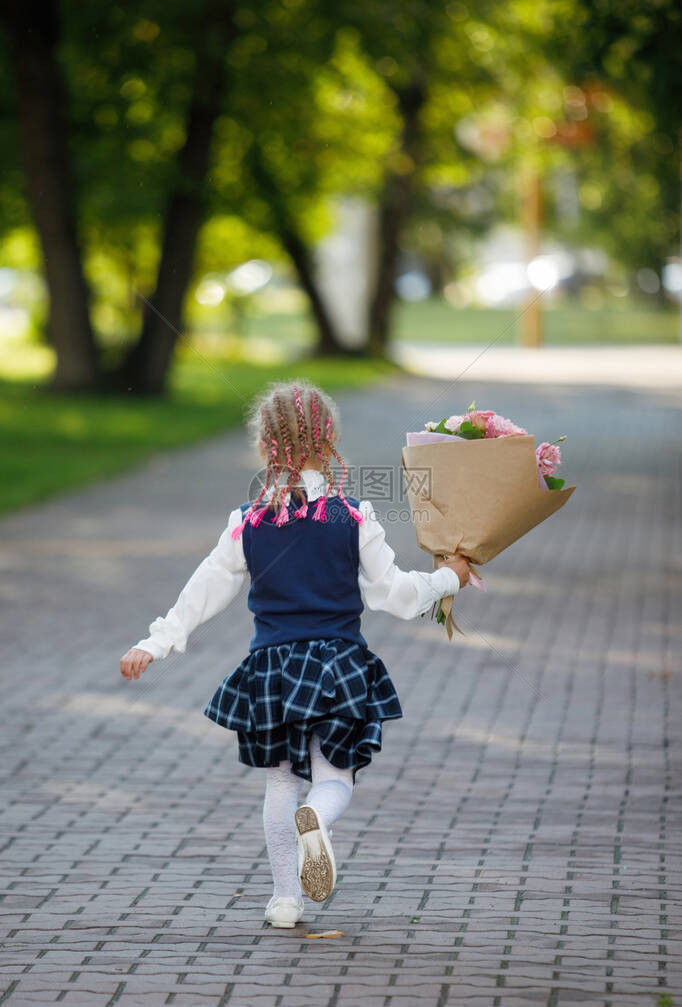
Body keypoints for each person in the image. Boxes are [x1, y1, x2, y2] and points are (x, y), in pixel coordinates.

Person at [120, 380, 471, 928]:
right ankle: (320, 817)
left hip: (272, 670)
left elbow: (205, 589)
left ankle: (286, 899)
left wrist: (154, 641)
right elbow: (396, 596)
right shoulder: (353, 516)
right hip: (338, 666)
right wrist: (449, 576)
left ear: (265, 446)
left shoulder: (247, 521)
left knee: (280, 780)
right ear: (329, 440)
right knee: (334, 778)